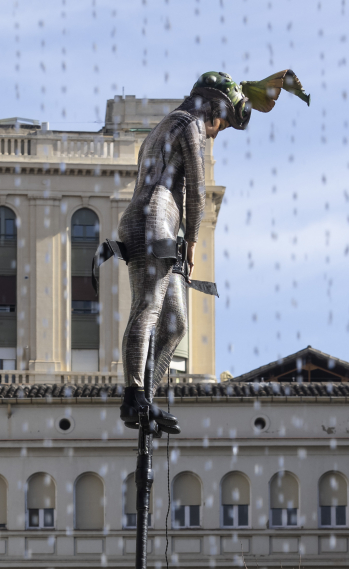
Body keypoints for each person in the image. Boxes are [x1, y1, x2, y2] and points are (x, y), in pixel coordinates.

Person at [113, 72, 251, 433]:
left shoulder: (167, 127)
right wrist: (192, 242)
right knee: (148, 305)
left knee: (175, 323)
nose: (218, 131)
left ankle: (147, 397)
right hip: (153, 219)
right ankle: (133, 394)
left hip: (159, 224)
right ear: (215, 107)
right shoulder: (188, 124)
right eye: (223, 121)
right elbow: (197, 188)